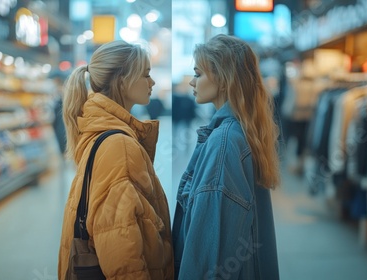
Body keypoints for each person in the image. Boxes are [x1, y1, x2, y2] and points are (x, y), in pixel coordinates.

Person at [58, 40, 174, 280]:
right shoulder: (118, 145)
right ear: (123, 80)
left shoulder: (102, 131)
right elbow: (121, 247)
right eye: (146, 75)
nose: (152, 83)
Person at [172, 34, 281, 280]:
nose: (192, 82)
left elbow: (209, 258)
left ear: (222, 78)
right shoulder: (240, 131)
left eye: (198, 74)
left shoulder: (223, 144)